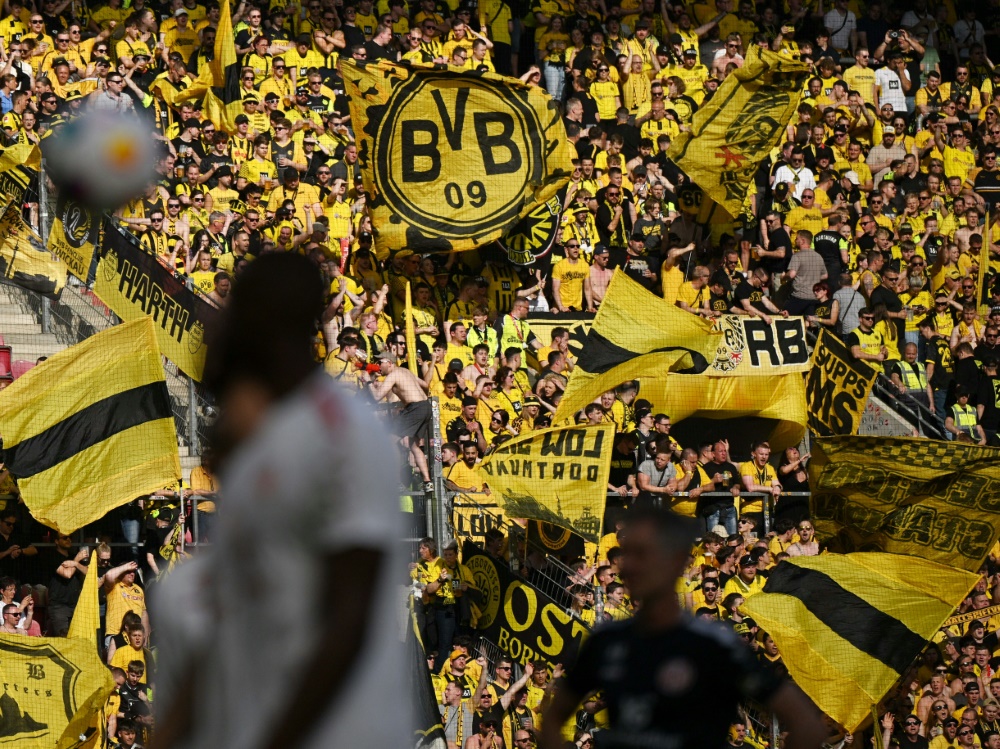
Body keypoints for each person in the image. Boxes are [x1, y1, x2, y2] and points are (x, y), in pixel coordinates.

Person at [153, 255, 411, 749]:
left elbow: (349, 614)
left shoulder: (343, 430)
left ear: (265, 319)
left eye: (237, 309)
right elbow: (231, 621)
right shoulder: (262, 446)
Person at [539, 508, 827, 749]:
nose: (626, 568)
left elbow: (806, 725)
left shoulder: (716, 645)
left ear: (675, 560)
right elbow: (552, 720)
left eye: (642, 555)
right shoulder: (606, 642)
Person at [362, 351, 434, 491]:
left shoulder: (393, 374)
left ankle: (396, 482)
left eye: (380, 363)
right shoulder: (405, 371)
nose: (378, 366)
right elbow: (426, 384)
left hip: (415, 408)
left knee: (390, 441)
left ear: (389, 363)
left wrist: (368, 381)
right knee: (414, 445)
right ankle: (427, 481)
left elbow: (377, 397)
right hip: (425, 407)